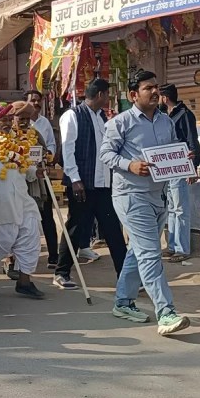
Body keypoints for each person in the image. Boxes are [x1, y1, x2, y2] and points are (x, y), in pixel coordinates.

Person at [100, 70, 190, 335]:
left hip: (158, 195)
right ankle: (166, 312)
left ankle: (123, 302)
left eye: (156, 87)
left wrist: (182, 158)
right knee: (150, 253)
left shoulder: (165, 121)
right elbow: (105, 154)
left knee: (137, 251)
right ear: (133, 95)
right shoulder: (120, 122)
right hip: (131, 195)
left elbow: (171, 149)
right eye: (148, 88)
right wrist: (130, 164)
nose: (154, 92)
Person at [54, 79, 127, 289]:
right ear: (101, 94)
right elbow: (68, 149)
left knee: (113, 230)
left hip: (103, 184)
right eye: (107, 95)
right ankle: (61, 273)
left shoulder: (102, 117)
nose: (108, 99)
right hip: (82, 184)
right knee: (76, 228)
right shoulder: (73, 115)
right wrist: (75, 179)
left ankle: (125, 276)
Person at [0, 102, 44, 300]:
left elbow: (25, 169)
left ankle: (24, 282)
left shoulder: (18, 140)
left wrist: (35, 172)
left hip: (21, 198)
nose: (6, 123)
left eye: (8, 119)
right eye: (2, 119)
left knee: (31, 236)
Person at [159, 83, 200, 263]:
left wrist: (193, 167)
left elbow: (193, 141)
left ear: (165, 97)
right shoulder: (162, 116)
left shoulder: (185, 115)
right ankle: (172, 246)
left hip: (181, 167)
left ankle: (182, 249)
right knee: (171, 209)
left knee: (180, 209)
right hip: (167, 168)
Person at [24, 90, 60, 267]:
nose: (36, 103)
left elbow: (51, 143)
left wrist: (48, 154)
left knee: (47, 214)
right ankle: (21, 259)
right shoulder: (20, 123)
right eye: (32, 100)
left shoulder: (44, 122)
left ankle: (53, 255)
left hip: (42, 172)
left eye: (38, 100)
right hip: (23, 174)